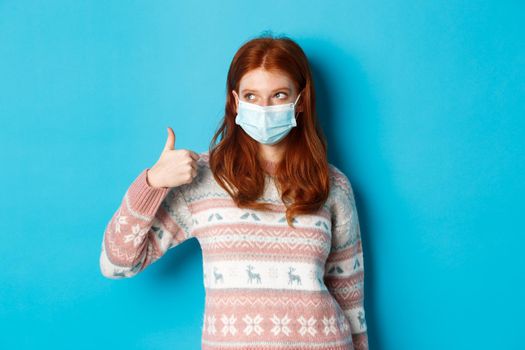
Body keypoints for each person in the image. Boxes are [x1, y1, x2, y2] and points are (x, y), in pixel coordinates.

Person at [99, 34, 369, 350]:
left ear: (300, 102)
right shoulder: (202, 178)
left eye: (279, 95)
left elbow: (350, 298)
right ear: (235, 101)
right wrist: (151, 184)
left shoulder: (332, 185)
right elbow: (116, 264)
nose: (264, 108)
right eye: (252, 96)